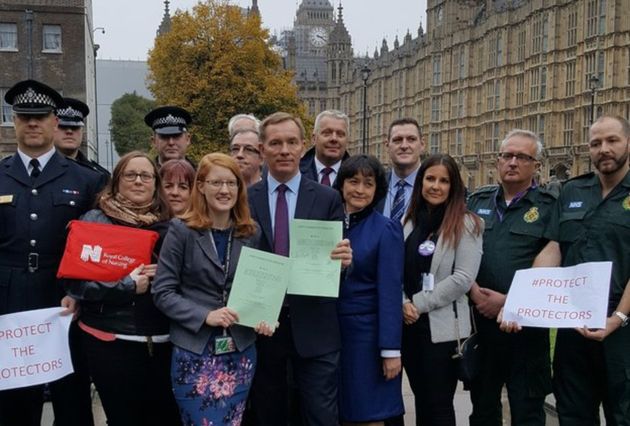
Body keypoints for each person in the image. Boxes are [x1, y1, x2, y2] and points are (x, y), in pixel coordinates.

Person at [502, 115, 630, 425]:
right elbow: (554, 247)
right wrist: (522, 302)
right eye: (596, 143)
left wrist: (618, 319)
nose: (604, 149)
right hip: (573, 325)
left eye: (612, 140)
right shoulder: (572, 191)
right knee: (572, 414)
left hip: (622, 330)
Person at [0, 79, 104, 426]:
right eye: (24, 116)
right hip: (10, 298)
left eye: (40, 116)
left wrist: (78, 292)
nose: (32, 123)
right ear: (13, 120)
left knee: (72, 396)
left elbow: (95, 245)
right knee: (15, 399)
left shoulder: (85, 180)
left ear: (54, 122)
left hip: (65, 296)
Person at [246, 112, 352, 425]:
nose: (284, 150)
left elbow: (335, 264)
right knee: (269, 414)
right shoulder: (244, 199)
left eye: (292, 142)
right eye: (275, 143)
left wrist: (344, 262)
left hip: (316, 327)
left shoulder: (327, 198)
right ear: (262, 149)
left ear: (302, 146)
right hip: (262, 327)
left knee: (321, 416)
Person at [152, 153, 274, 425]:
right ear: (201, 187)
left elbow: (264, 285)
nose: (224, 190)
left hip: (240, 350)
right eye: (216, 183)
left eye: (232, 183)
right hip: (194, 352)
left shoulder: (251, 232)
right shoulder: (181, 230)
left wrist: (266, 317)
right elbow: (162, 292)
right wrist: (205, 315)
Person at [64, 151, 181, 426]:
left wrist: (168, 275)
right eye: (130, 175)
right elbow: (76, 284)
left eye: (146, 176)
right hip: (109, 340)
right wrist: (126, 286)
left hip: (164, 343)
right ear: (116, 181)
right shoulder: (93, 220)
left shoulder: (176, 225)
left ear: (155, 183)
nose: (138, 181)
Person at [467, 130, 555, 426]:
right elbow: (456, 253)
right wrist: (475, 293)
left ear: (537, 165)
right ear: (497, 161)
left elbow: (554, 260)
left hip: (526, 331)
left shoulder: (548, 206)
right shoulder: (476, 202)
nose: (513, 162)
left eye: (522, 157)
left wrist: (512, 301)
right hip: (482, 327)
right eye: (507, 156)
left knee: (527, 410)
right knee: (482, 409)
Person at [401, 154, 483, 426]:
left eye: (444, 181)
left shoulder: (467, 223)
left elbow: (462, 278)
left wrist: (417, 303)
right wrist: (402, 302)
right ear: (420, 182)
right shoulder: (408, 220)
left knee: (439, 408)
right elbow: (394, 270)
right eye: (430, 179)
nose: (436, 186)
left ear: (454, 186)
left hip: (442, 333)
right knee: (422, 402)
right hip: (409, 329)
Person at [334, 154, 405, 425]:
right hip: (331, 334)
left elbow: (390, 293)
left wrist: (390, 350)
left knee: (368, 413)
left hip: (367, 338)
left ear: (377, 190)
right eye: (353, 181)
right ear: (341, 185)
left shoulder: (386, 229)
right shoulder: (330, 225)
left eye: (368, 183)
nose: (360, 190)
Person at [376, 118, 426, 222]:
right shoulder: (376, 186)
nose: (404, 146)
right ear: (387, 146)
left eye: (411, 139)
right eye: (397, 140)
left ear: (422, 145)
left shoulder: (436, 187)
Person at [54, 97, 110, 177]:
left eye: (75, 127)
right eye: (63, 126)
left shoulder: (98, 176)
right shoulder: (38, 170)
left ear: (82, 131)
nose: (69, 131)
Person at [299, 110, 350, 186]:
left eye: (340, 134)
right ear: (314, 139)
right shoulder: (295, 172)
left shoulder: (358, 175)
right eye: (327, 133)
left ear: (347, 140)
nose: (334, 139)